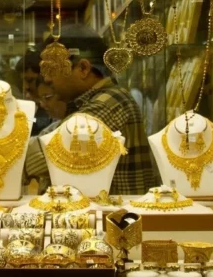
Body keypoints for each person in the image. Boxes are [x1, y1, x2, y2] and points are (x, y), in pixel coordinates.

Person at [37, 24, 157, 195]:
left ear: (83, 68)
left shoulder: (108, 103)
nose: (47, 79)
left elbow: (40, 153)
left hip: (115, 210)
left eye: (52, 69)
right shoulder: (97, 101)